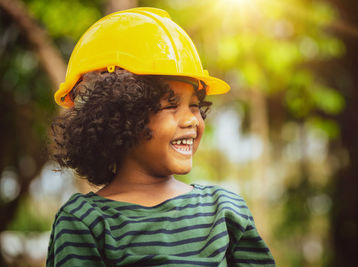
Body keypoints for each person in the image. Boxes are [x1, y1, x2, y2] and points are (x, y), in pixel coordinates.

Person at [46, 7, 275, 267]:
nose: (191, 120)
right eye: (170, 105)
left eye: (194, 105)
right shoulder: (83, 222)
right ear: (119, 115)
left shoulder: (224, 211)